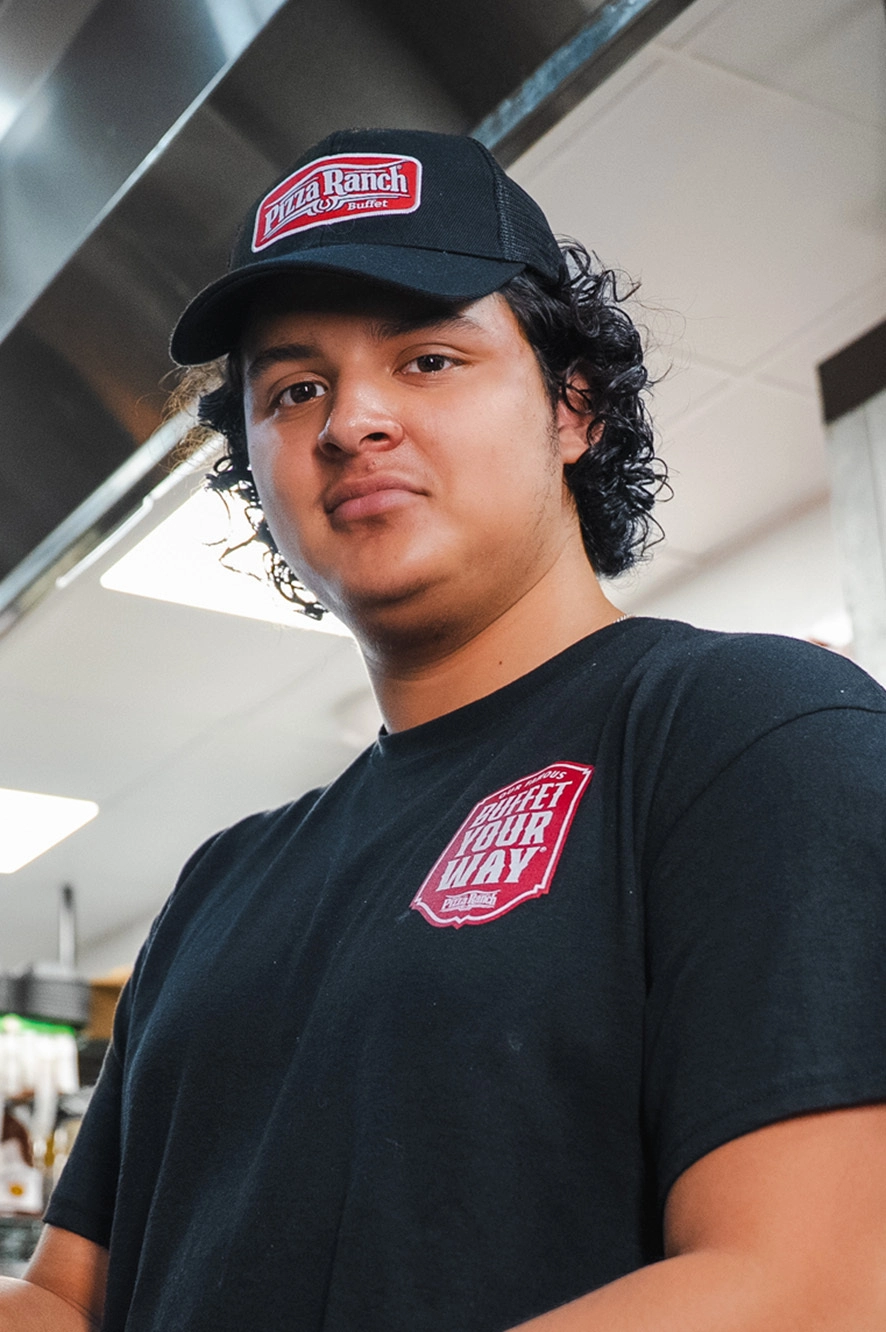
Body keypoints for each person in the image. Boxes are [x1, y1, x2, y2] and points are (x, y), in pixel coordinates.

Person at [2, 127, 885, 1331]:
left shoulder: (750, 734)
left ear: (574, 408)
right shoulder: (219, 890)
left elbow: (808, 1286)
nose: (351, 421)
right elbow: (68, 1302)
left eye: (426, 358)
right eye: (294, 387)